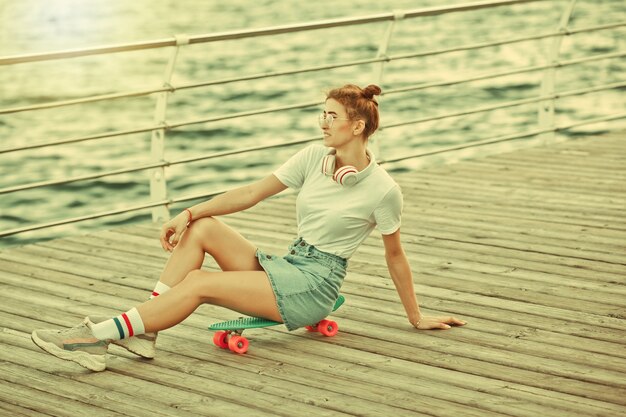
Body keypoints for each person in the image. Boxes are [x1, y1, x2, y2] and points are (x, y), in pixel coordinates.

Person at [31, 83, 466, 372]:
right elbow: (251, 193)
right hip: (291, 263)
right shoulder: (314, 158)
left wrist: (416, 316)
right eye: (322, 114)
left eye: (332, 116)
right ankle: (145, 332)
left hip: (316, 285)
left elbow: (395, 255)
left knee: (200, 282)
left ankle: (97, 336)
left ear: (359, 126)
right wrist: (188, 212)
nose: (322, 122)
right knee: (204, 227)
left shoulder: (383, 190)